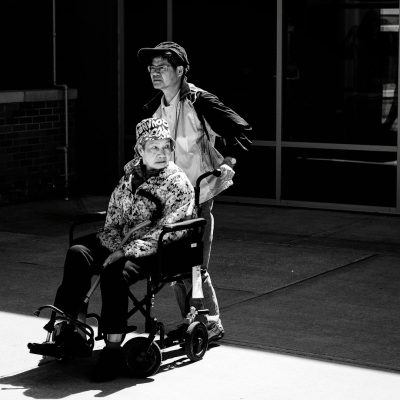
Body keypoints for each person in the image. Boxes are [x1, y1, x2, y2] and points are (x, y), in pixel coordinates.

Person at [34, 117, 196, 382]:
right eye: (153, 147)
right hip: (122, 240)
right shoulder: (129, 177)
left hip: (156, 250)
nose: (161, 153)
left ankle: (112, 351)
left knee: (114, 272)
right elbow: (114, 219)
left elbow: (172, 228)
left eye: (165, 146)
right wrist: (110, 243)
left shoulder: (177, 183)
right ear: (140, 150)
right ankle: (71, 327)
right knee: (78, 252)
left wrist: (125, 251)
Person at [136, 41, 252, 341]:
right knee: (174, 265)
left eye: (162, 68)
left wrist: (227, 162)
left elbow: (238, 131)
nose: (155, 73)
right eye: (152, 69)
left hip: (199, 194)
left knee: (193, 264)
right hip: (168, 199)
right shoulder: (154, 110)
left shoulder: (199, 101)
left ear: (180, 70)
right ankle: (193, 321)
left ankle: (209, 321)